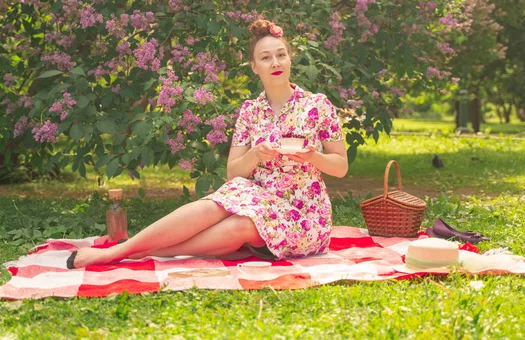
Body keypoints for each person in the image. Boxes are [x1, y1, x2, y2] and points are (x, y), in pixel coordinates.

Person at [68, 19, 348, 269]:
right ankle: (125, 251)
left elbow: (340, 168)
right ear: (254, 67)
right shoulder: (250, 110)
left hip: (304, 216)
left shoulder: (317, 105)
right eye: (266, 57)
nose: (275, 63)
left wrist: (314, 157)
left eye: (281, 55)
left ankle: (127, 252)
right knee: (216, 202)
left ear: (290, 60)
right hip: (257, 200)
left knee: (242, 224)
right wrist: (254, 155)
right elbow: (233, 174)